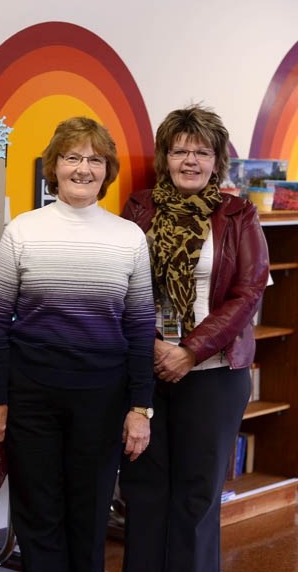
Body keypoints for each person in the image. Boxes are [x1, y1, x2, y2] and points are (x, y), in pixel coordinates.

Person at [0, 116, 156, 572]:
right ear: (53, 166)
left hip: (102, 398)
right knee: (38, 515)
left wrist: (140, 408)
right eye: (72, 157)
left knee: (90, 516)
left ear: (107, 170)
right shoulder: (22, 230)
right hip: (32, 396)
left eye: (95, 159)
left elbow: (140, 328)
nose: (83, 168)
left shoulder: (129, 238)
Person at [119, 105, 270, 572]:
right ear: (165, 156)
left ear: (216, 160)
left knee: (197, 494)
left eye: (201, 151)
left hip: (216, 373)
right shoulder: (140, 209)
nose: (190, 160)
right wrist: (155, 348)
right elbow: (121, 285)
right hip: (147, 371)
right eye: (180, 150)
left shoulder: (238, 213)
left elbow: (247, 293)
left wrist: (189, 350)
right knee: (143, 491)